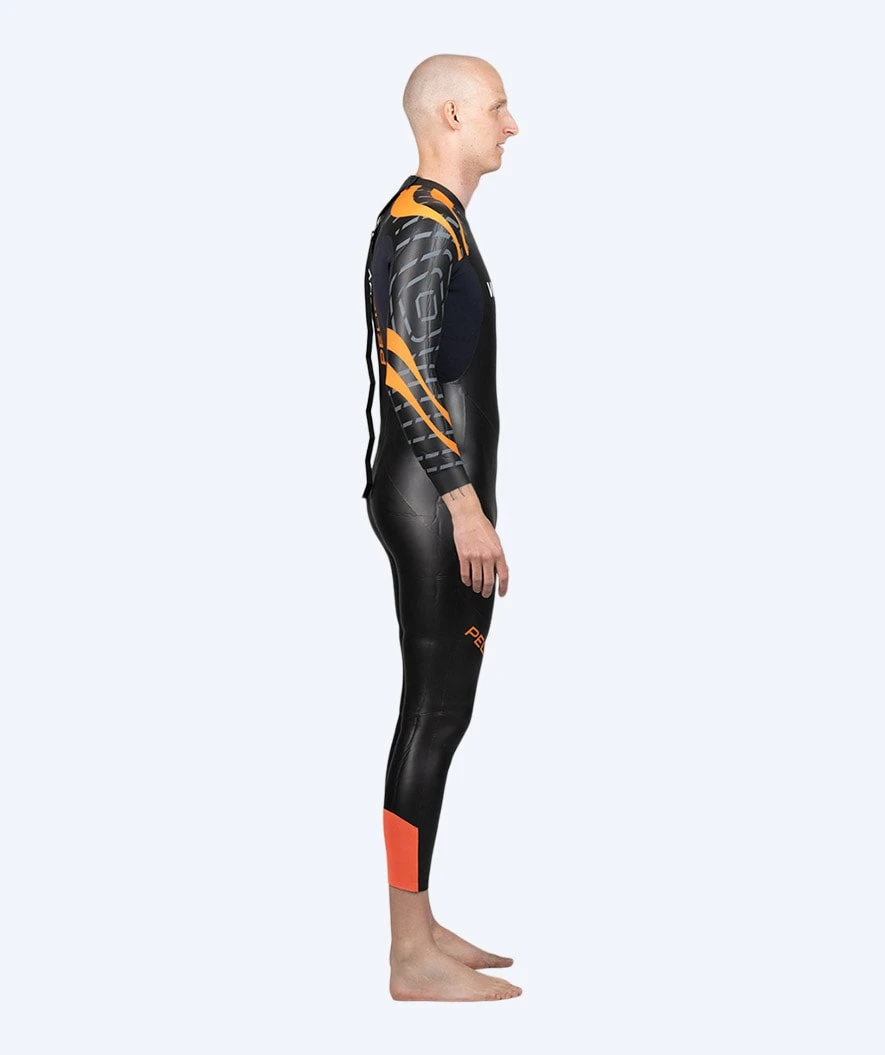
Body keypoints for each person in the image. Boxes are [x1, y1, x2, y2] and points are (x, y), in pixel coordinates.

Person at [361, 54, 521, 1002]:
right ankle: (407, 955)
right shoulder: (424, 223)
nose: (512, 125)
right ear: (453, 114)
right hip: (432, 500)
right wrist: (465, 508)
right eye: (498, 107)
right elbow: (406, 375)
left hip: (436, 496)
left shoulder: (438, 219)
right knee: (432, 711)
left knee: (442, 712)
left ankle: (418, 925)